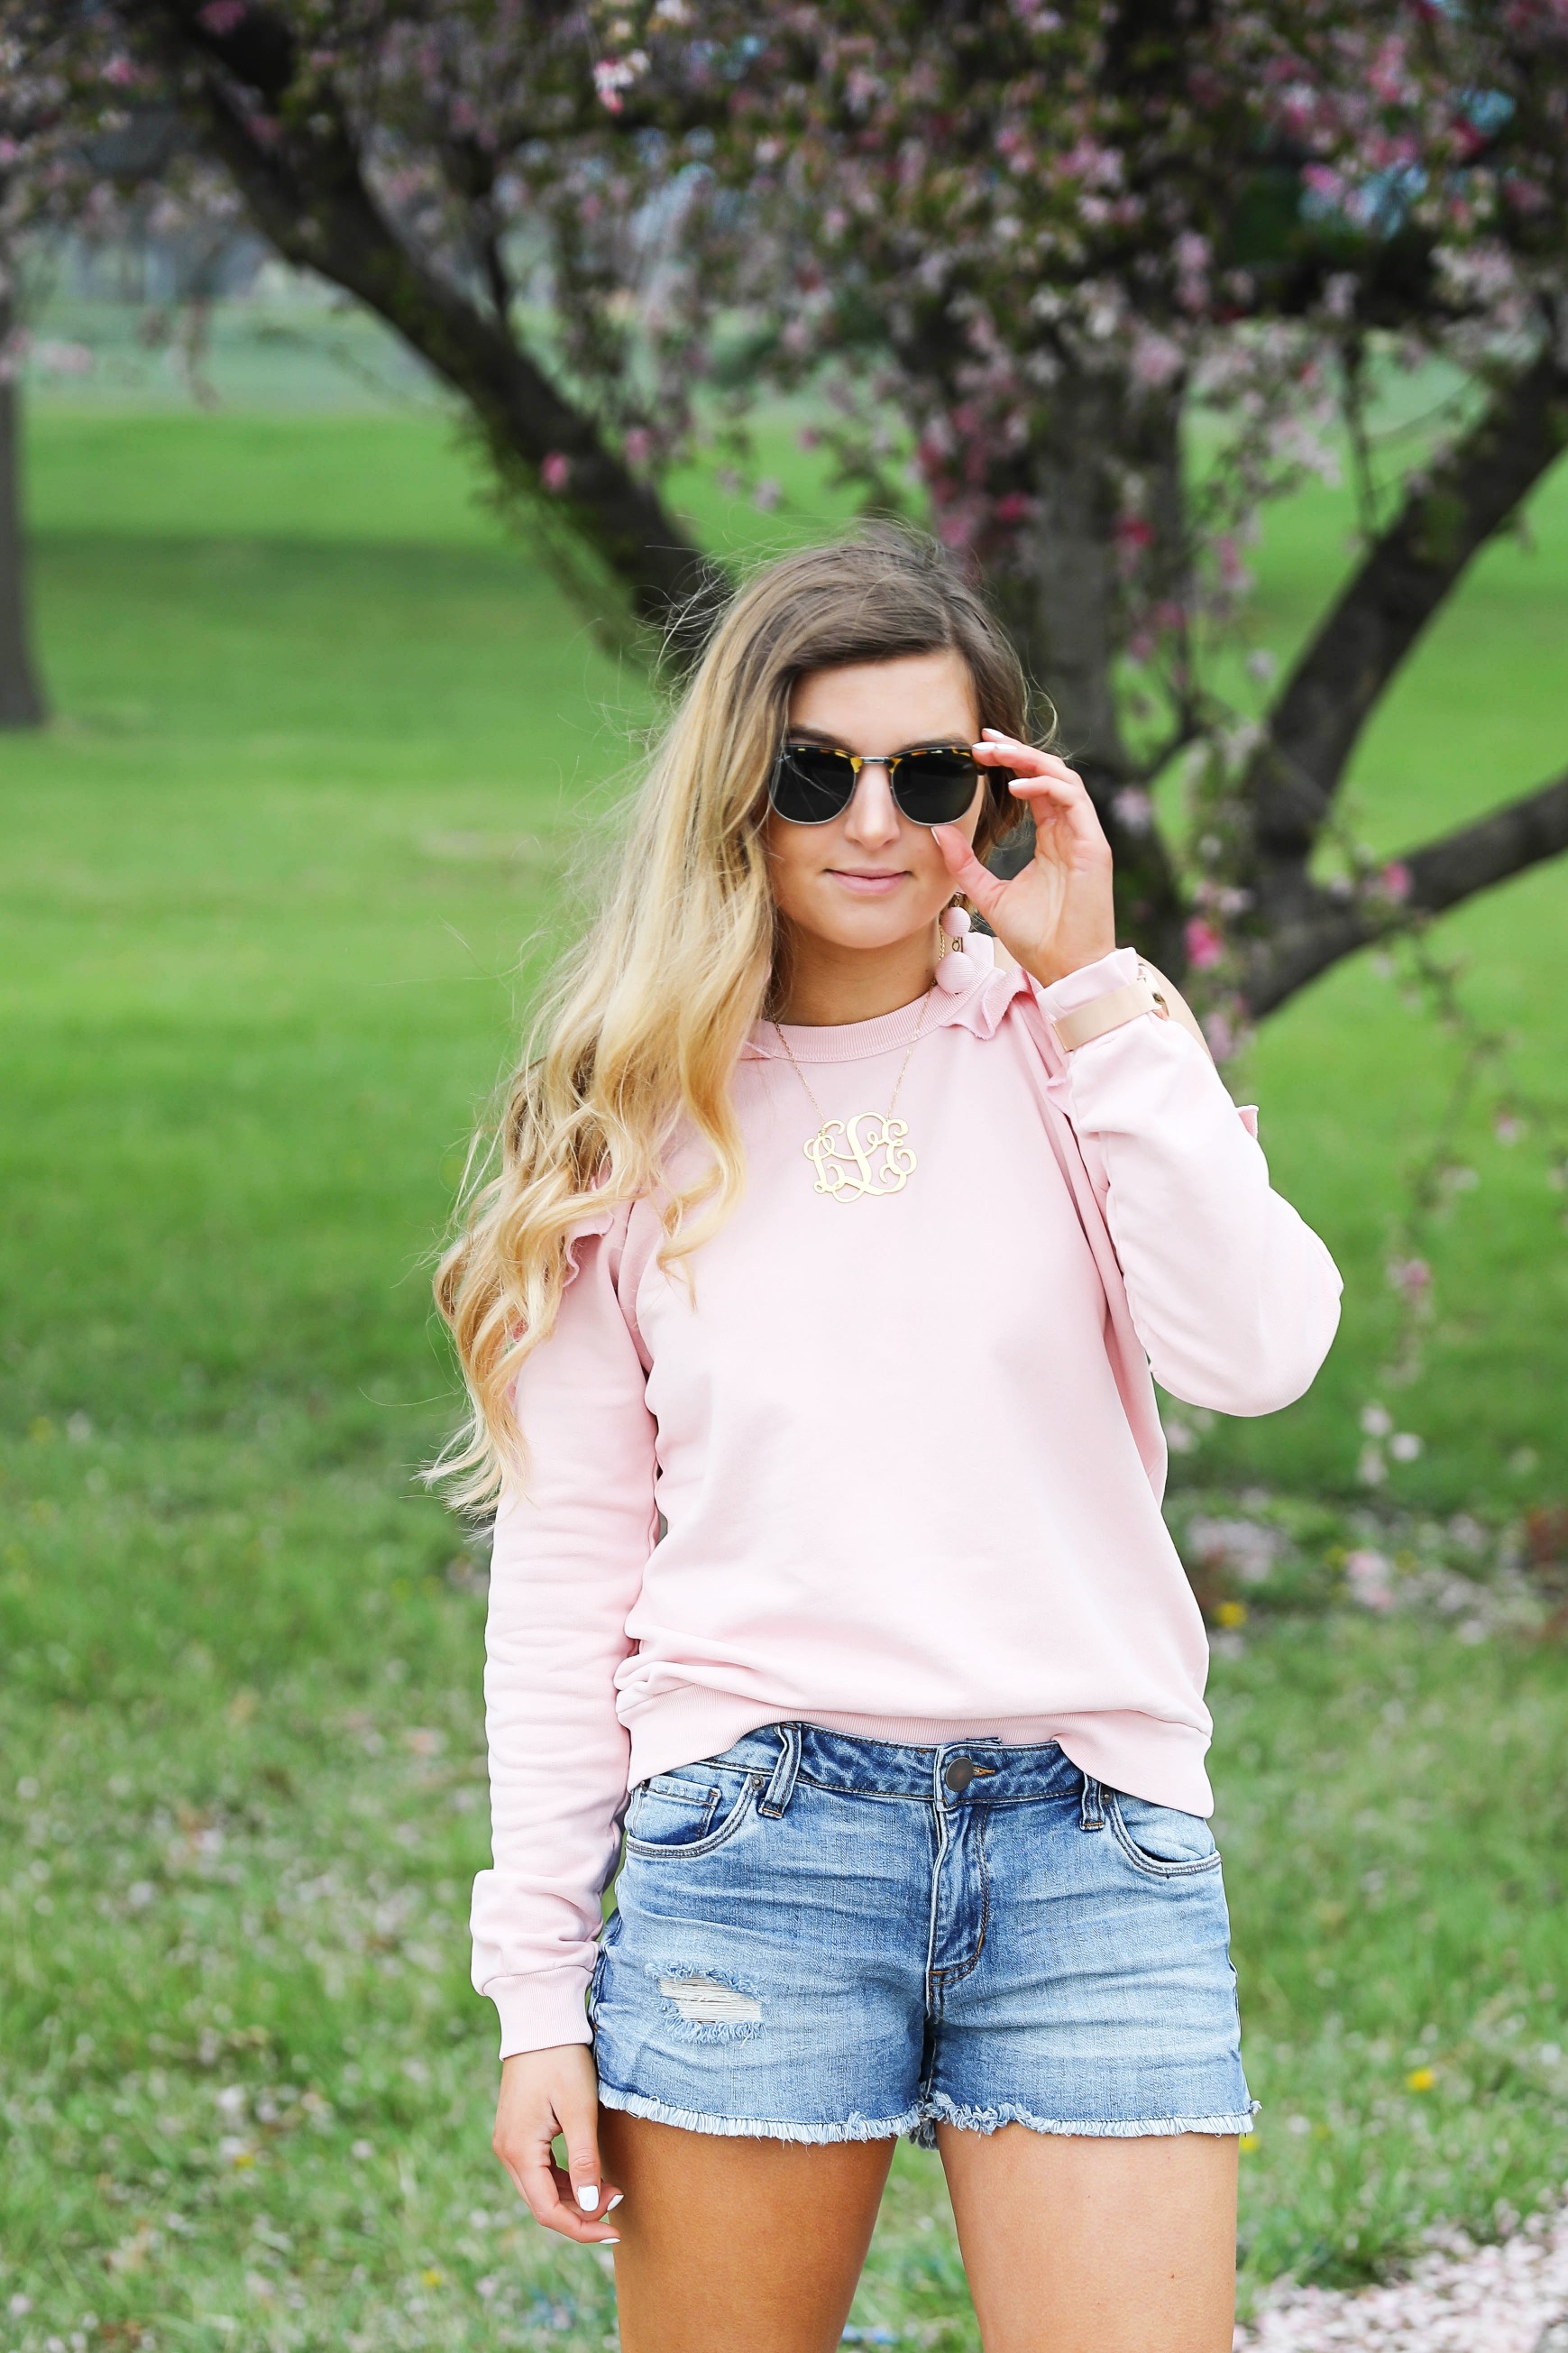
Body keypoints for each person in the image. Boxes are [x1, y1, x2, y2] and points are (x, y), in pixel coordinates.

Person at [434, 528, 1342, 2353]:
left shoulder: (1088, 1049)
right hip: (755, 1844)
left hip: (1099, 1842)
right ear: (737, 792)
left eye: (928, 775)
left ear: (997, 794)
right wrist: (539, 1988)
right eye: (813, 772)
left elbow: (1261, 1356)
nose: (872, 823)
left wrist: (1095, 990)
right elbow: (566, 1579)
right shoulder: (625, 1117)